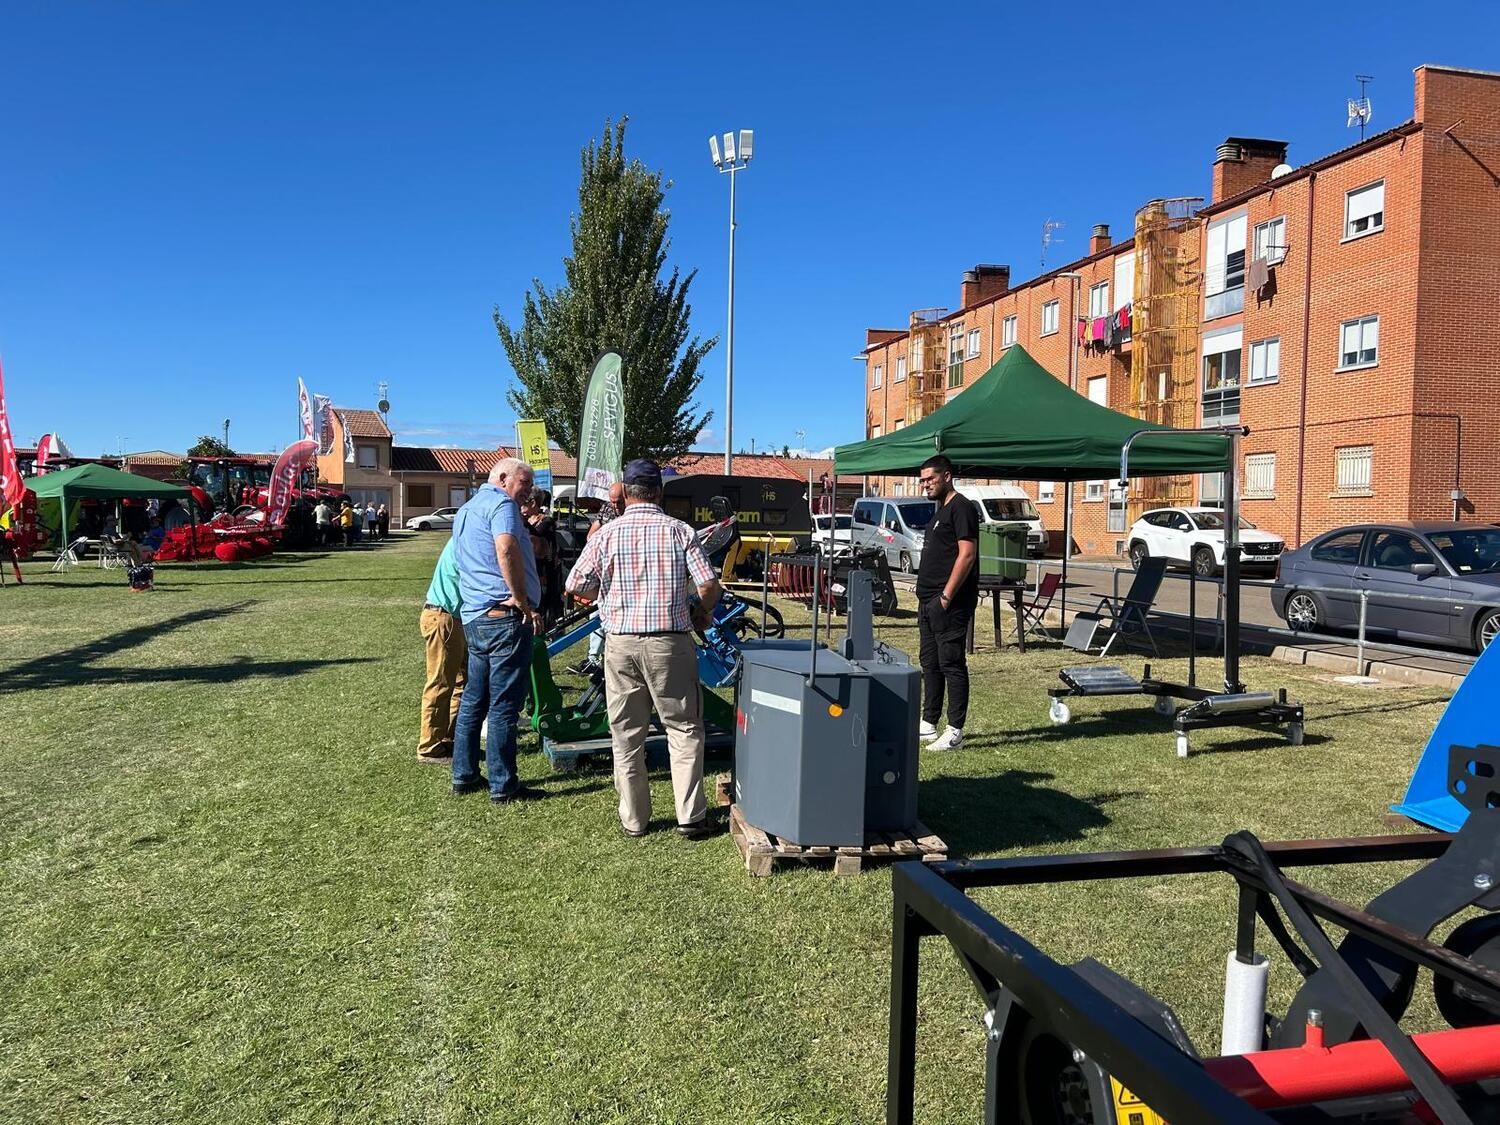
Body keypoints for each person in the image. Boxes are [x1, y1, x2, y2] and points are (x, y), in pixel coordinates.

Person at [566, 459, 720, 839]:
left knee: (627, 732)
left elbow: (576, 583)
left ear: (626, 493)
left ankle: (634, 820)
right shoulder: (680, 531)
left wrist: (608, 595)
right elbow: (709, 584)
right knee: (683, 727)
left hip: (620, 643)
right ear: (659, 491)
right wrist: (702, 613)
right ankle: (690, 816)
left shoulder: (606, 535)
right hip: (670, 641)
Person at [450, 457, 545, 804]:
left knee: (474, 700)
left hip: (475, 616)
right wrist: (522, 601)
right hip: (503, 617)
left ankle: (464, 774)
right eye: (525, 482)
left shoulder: (466, 509)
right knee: (504, 706)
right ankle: (503, 785)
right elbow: (506, 547)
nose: (529, 490)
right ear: (503, 479)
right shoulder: (502, 504)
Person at [914, 454, 979, 752]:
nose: (925, 484)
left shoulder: (962, 508)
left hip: (948, 603)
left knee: (951, 663)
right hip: (927, 601)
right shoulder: (939, 511)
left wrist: (946, 596)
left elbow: (967, 554)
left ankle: (955, 732)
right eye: (923, 479)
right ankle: (929, 723)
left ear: (947, 476)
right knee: (930, 662)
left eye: (930, 479)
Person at [569, 479, 625, 676]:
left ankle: (610, 658)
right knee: (595, 614)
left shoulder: (632, 510)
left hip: (624, 573)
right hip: (606, 570)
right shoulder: (608, 509)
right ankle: (593, 658)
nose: (615, 506)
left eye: (619, 502)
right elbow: (591, 536)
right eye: (613, 501)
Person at [417, 537, 465, 762]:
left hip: (451, 618)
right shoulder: (468, 540)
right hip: (444, 617)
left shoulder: (463, 536)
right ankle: (429, 746)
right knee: (440, 683)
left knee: (463, 681)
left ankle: (448, 738)